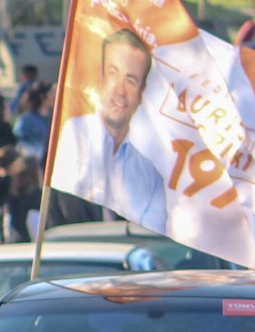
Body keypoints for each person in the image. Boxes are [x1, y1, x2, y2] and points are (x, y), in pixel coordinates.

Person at [52, 27, 169, 232]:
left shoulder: (148, 170)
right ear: (101, 77)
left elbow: (154, 233)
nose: (120, 92)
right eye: (114, 75)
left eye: (131, 81)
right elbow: (70, 207)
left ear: (141, 92)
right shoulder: (74, 132)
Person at [13, 83, 52, 162]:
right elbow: (21, 146)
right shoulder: (26, 120)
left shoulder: (53, 119)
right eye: (52, 93)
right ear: (42, 97)